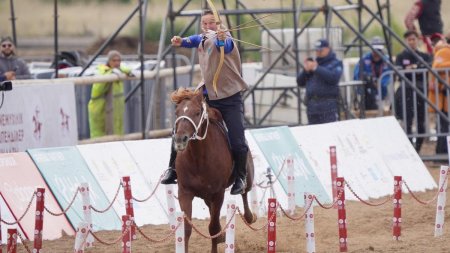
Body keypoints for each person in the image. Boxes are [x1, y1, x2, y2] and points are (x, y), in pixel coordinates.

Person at [161, 9, 249, 195]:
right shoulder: (202, 38)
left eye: (212, 23)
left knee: (238, 140)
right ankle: (172, 169)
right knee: (182, 125)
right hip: (208, 95)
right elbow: (195, 39)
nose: (208, 27)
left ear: (219, 24)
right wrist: (181, 41)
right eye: (205, 24)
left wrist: (221, 37)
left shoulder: (226, 40)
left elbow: (222, 44)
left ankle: (240, 177)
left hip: (230, 98)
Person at [394, 30, 432, 152]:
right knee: (407, 121)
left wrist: (410, 69)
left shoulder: (425, 56)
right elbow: (399, 72)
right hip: (406, 92)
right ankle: (410, 149)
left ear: (418, 40)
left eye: (413, 39)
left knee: (421, 122)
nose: (411, 42)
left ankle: (418, 149)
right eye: (409, 39)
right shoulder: (401, 57)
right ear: (405, 41)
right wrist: (415, 68)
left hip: (421, 92)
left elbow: (428, 68)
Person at [296, 38, 343, 124]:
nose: (318, 53)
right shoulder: (314, 63)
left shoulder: (335, 63)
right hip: (312, 107)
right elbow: (300, 82)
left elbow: (333, 78)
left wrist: (316, 68)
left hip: (328, 107)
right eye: (317, 50)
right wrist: (305, 71)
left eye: (321, 50)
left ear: (328, 49)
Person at [88, 50, 132, 138]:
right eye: (114, 60)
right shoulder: (102, 71)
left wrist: (126, 72)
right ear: (109, 61)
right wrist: (111, 73)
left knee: (118, 131)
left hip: (115, 109)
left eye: (119, 60)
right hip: (99, 108)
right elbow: (98, 88)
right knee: (99, 134)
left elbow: (127, 69)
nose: (117, 63)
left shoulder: (119, 71)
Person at [353, 36, 391, 110]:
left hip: (383, 94)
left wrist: (379, 83)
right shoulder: (364, 59)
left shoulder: (387, 61)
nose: (377, 52)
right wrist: (369, 81)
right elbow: (357, 75)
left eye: (379, 50)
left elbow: (390, 76)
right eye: (375, 50)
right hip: (367, 96)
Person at [428, 39, 450, 154]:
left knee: (444, 124)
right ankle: (442, 152)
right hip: (443, 95)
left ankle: (443, 151)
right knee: (443, 125)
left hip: (444, 94)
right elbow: (437, 66)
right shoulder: (444, 51)